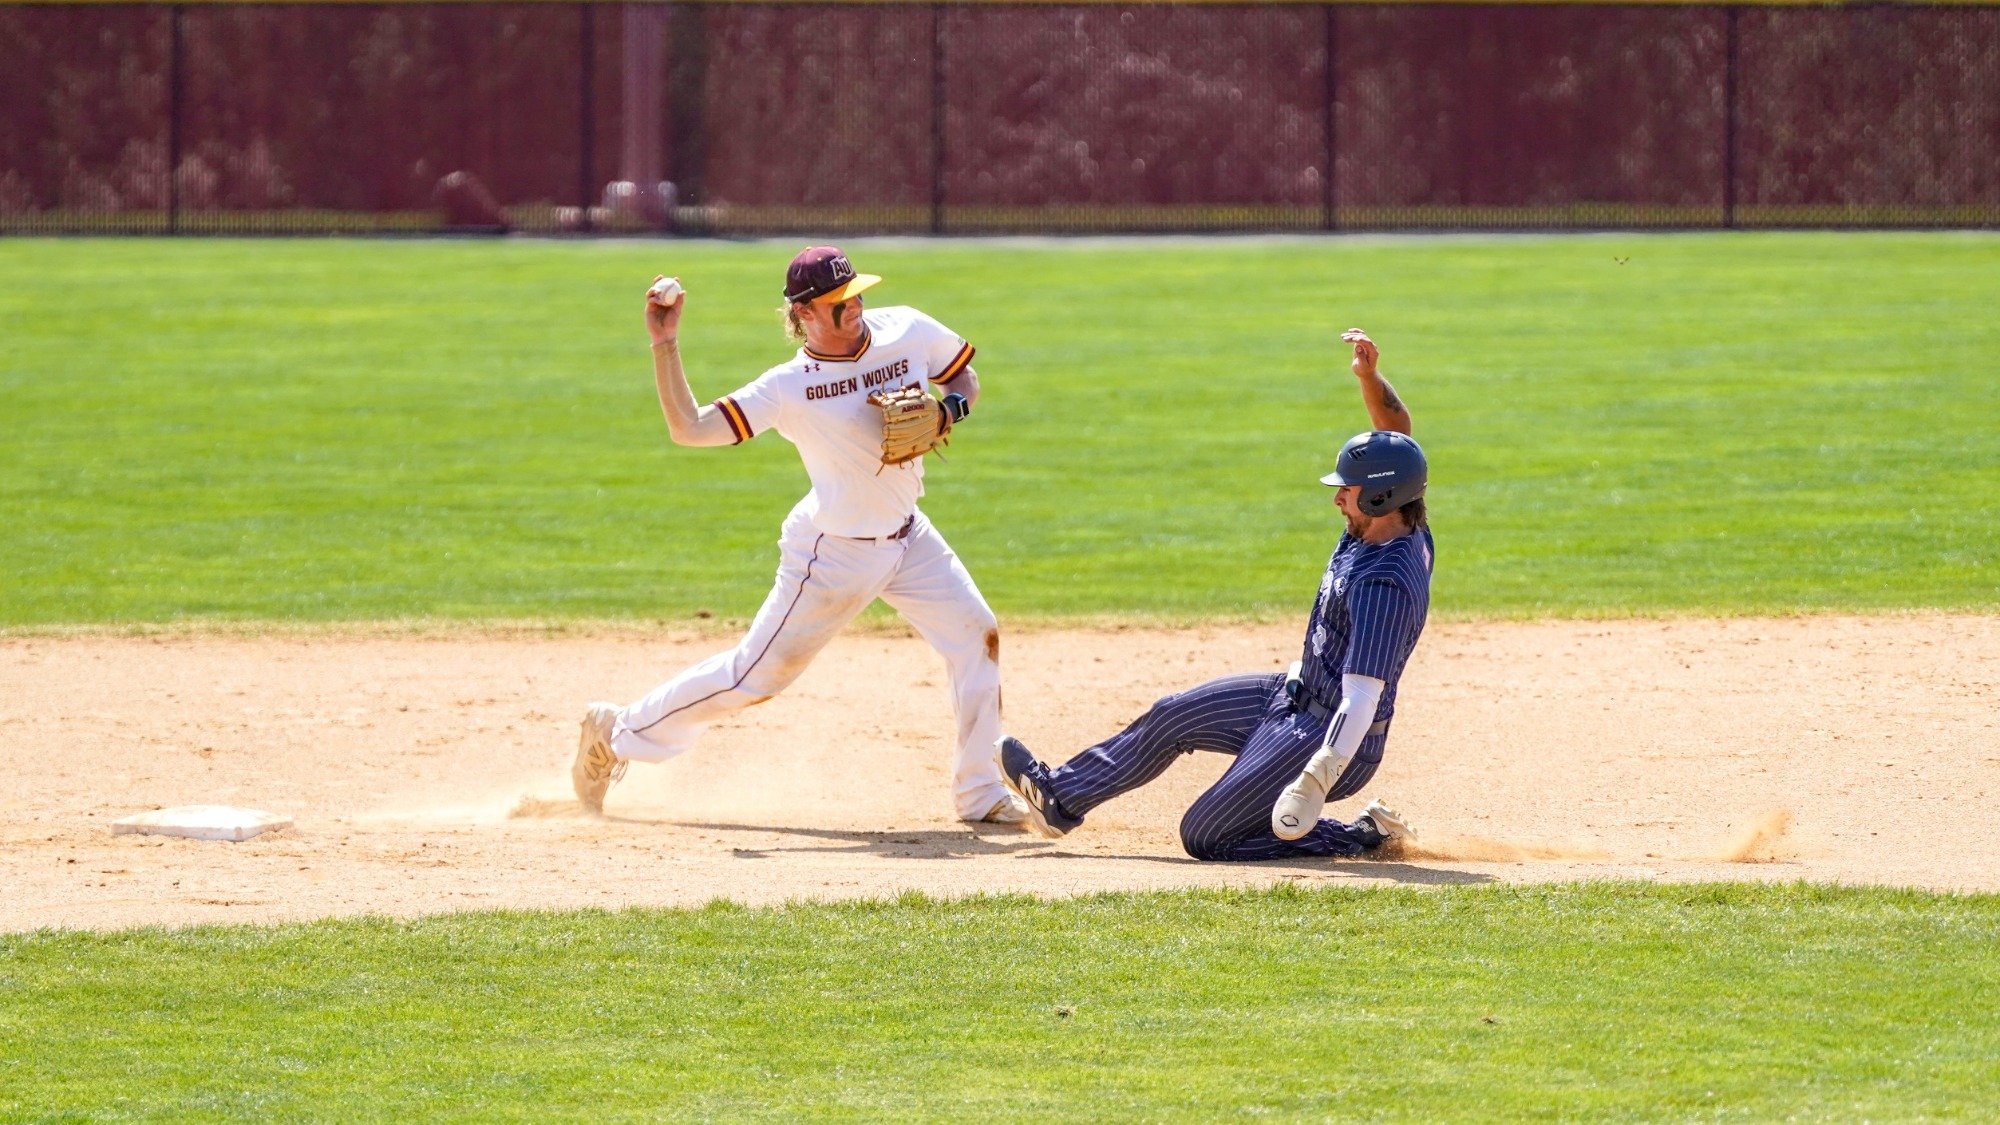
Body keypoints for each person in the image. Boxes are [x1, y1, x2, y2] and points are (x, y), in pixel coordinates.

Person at [572, 246, 1028, 825]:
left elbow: (962, 374)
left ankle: (980, 791)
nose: (856, 305)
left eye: (857, 292)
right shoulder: (788, 387)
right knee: (751, 679)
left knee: (976, 634)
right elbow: (689, 429)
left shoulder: (906, 328)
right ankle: (616, 730)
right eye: (840, 301)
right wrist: (665, 343)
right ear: (806, 313)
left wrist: (951, 409)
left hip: (910, 536)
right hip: (833, 552)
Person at [996, 329, 1431, 859]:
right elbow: (1398, 439)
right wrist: (1369, 377)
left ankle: (1364, 837)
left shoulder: (1385, 581)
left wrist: (1315, 780)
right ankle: (1061, 797)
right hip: (1291, 696)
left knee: (1205, 834)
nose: (1338, 496)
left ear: (1384, 494)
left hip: (1330, 735)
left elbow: (1361, 698)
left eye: (1349, 487)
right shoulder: (1389, 518)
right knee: (1172, 714)